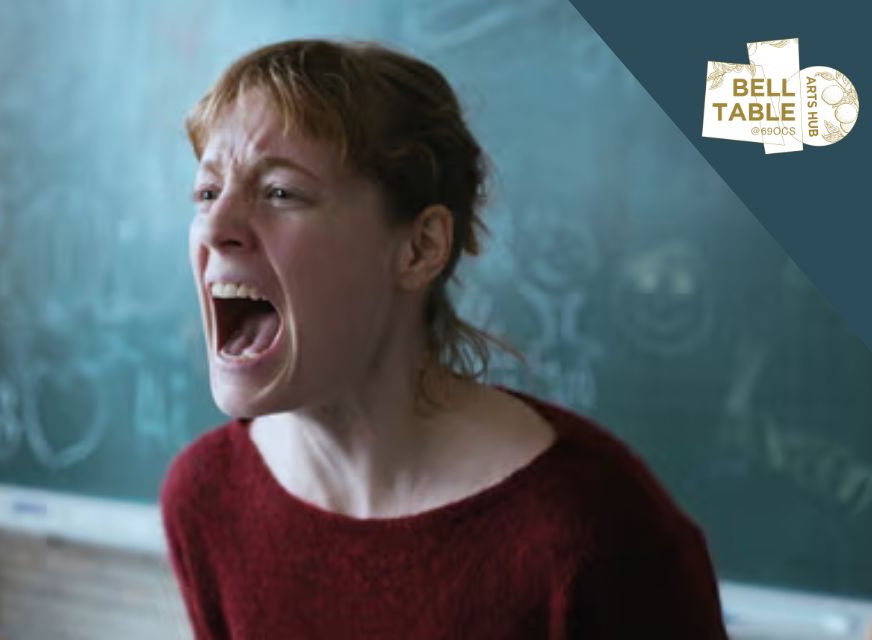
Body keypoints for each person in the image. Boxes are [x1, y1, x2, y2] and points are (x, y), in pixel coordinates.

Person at [161, 38, 729, 639]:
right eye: (206, 193)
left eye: (280, 192)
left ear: (420, 247)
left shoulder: (597, 533)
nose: (216, 228)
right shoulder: (206, 498)